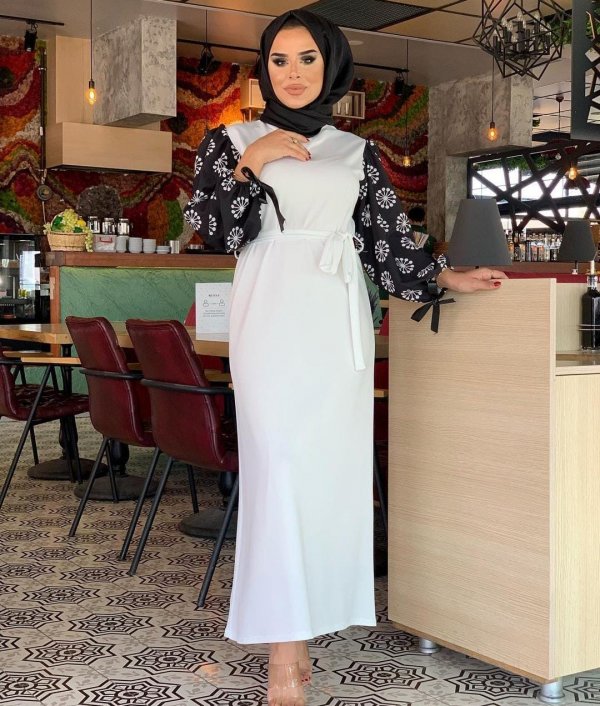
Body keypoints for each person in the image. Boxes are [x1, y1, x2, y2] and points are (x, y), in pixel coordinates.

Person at [184, 9, 506, 706]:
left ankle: (303, 630)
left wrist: (444, 277)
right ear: (263, 68)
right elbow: (213, 231)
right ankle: (285, 649)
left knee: (327, 479)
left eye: (307, 59)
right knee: (279, 470)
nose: (293, 73)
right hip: (269, 319)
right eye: (279, 60)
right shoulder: (231, 140)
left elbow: (386, 242)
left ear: (331, 66)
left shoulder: (356, 151)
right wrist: (251, 164)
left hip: (336, 323)